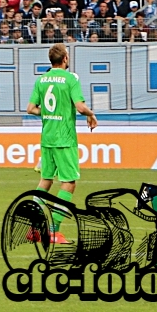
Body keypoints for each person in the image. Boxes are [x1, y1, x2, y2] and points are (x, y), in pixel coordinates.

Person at [26, 43, 98, 243]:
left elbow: (31, 108)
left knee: (45, 181)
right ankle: (52, 230)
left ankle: (34, 229)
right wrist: (91, 114)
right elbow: (80, 107)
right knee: (68, 183)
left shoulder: (42, 79)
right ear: (65, 58)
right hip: (64, 139)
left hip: (47, 137)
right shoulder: (70, 79)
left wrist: (50, 114)